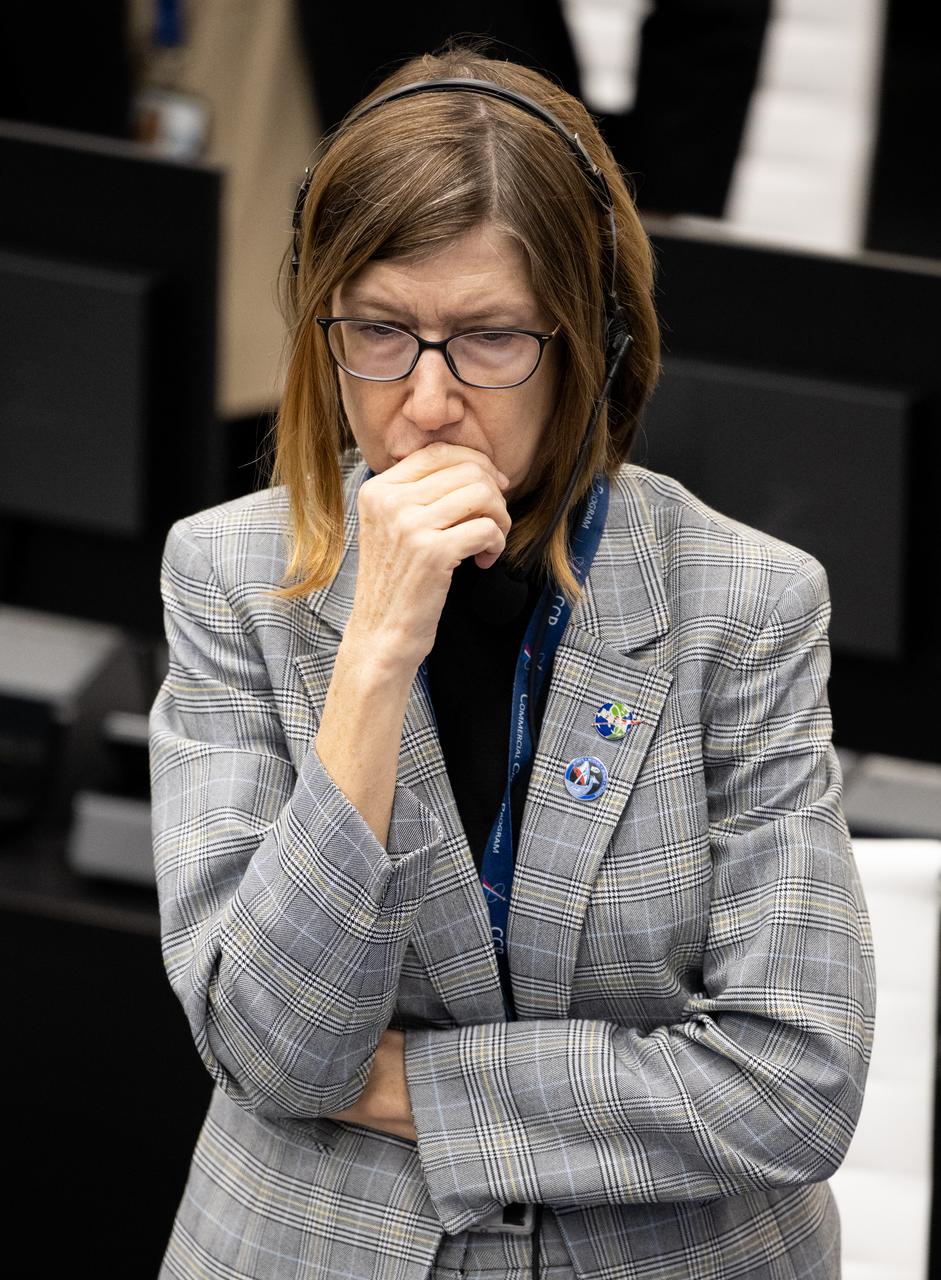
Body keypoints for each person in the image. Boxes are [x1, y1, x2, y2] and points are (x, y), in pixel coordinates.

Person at [149, 43, 875, 1280]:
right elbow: (270, 1045)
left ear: (589, 341)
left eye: (486, 340)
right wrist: (372, 658)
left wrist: (411, 1083)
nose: (425, 400)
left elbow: (789, 1082)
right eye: (379, 330)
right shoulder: (230, 578)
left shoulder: (744, 603)